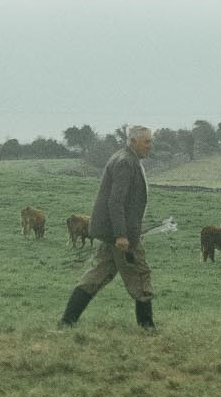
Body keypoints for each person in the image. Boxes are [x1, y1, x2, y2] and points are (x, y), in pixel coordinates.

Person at [59, 124, 155, 332]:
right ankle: (147, 328)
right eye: (146, 141)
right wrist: (121, 235)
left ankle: (66, 321)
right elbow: (115, 201)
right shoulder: (126, 162)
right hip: (121, 236)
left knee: (96, 275)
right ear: (133, 141)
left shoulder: (125, 158)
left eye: (150, 141)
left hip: (112, 234)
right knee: (140, 274)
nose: (150, 145)